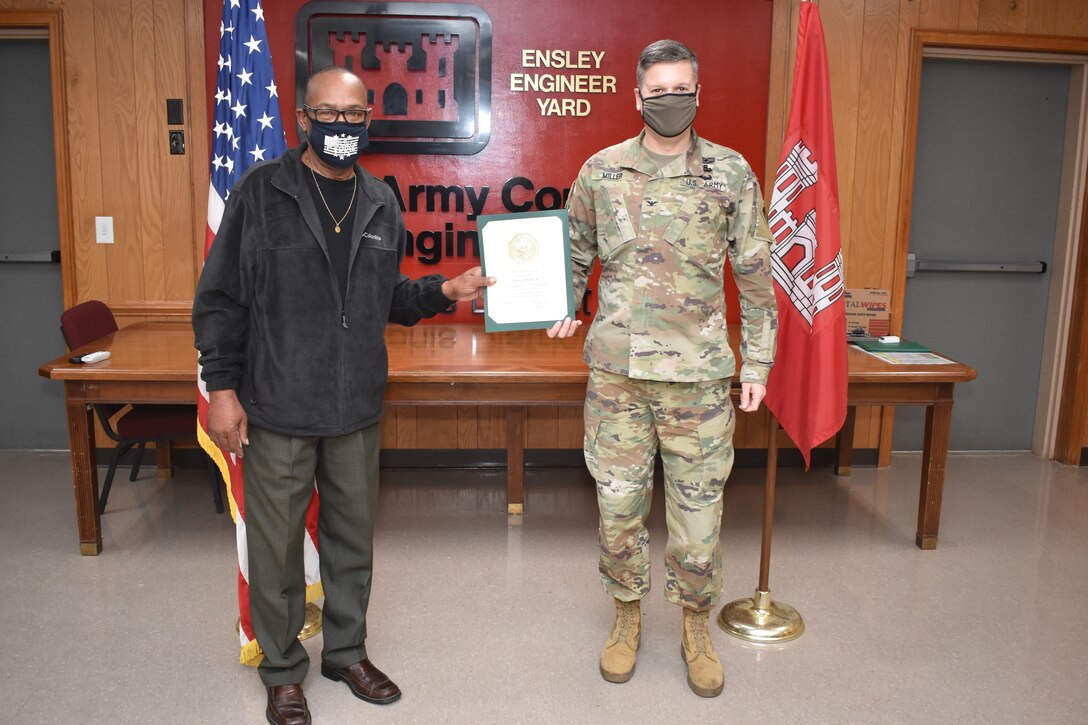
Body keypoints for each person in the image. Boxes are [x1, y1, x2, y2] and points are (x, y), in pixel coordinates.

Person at [193, 66, 493, 725]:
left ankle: (347, 650)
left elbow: (387, 298)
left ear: (367, 121)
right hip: (277, 403)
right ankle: (281, 670)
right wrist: (222, 388)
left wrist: (446, 290)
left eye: (354, 114)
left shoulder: (381, 201)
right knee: (274, 546)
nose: (342, 125)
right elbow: (219, 300)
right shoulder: (261, 192)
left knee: (352, 538)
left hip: (354, 404)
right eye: (328, 113)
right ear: (303, 119)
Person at [548, 39, 778, 698]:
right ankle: (625, 618)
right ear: (638, 94)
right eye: (658, 90)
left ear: (698, 95)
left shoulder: (730, 173)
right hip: (617, 381)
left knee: (698, 519)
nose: (669, 100)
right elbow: (574, 251)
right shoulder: (601, 171)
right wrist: (562, 302)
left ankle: (696, 625)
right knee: (617, 510)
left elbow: (757, 274)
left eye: (682, 89)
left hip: (700, 384)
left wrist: (757, 360)